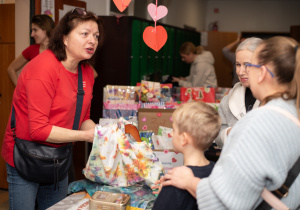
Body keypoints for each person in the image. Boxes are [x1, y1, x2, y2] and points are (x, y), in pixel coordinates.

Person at [161, 36, 300, 209]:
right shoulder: (292, 112)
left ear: (262, 73)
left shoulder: (257, 123)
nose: (242, 72)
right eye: (238, 65)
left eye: (250, 66)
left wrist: (189, 181)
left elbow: (224, 202)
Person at [1, 8, 103, 210]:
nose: (92, 40)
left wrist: (102, 134)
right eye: (84, 34)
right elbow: (38, 130)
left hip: (59, 158)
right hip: (25, 156)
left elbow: (83, 118)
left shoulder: (87, 73)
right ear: (64, 38)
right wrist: (85, 137)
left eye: (96, 35)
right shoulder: (43, 68)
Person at [152, 101, 221, 210]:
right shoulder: (217, 171)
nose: (171, 134)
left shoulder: (175, 180)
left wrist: (165, 195)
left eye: (174, 130)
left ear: (184, 139)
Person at [215, 37, 262, 148]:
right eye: (238, 65)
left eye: (247, 65)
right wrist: (228, 133)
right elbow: (216, 133)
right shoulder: (230, 98)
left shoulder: (277, 99)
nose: (240, 72)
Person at [7, 14, 55, 86]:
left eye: (35, 30)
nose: (32, 34)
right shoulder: (31, 50)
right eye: (32, 30)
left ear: (45, 29)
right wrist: (20, 90)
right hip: (35, 95)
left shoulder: (61, 50)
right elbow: (11, 69)